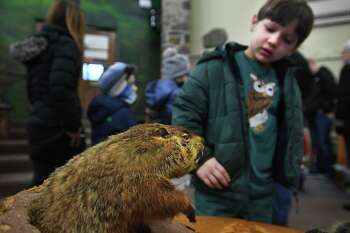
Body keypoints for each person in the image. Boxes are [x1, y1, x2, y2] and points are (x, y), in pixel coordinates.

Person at [172, 0, 314, 223]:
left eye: (286, 40)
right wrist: (199, 159)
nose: (273, 41)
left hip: (266, 196)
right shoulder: (213, 68)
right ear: (254, 22)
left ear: (294, 48)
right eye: (270, 29)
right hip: (219, 193)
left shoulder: (288, 82)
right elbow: (183, 117)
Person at [9, 0, 86, 186]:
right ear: (74, 21)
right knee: (61, 184)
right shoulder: (66, 45)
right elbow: (60, 88)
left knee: (42, 179)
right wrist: (73, 126)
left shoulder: (42, 45)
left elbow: (33, 88)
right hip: (57, 128)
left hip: (38, 120)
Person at [87, 62, 138, 146]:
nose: (135, 88)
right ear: (118, 87)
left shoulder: (101, 107)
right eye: (130, 85)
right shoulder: (123, 114)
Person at [305, 58, 336, 177]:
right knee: (317, 143)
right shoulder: (312, 79)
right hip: (313, 115)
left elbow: (332, 91)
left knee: (324, 142)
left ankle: (329, 171)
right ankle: (320, 168)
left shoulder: (323, 73)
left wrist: (324, 108)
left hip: (321, 114)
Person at [144, 47, 190, 124]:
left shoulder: (158, 86)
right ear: (179, 74)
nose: (187, 77)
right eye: (186, 74)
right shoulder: (176, 92)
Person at [335, 40, 350, 211]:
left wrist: (339, 120)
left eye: (344, 52)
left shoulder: (347, 70)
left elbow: (344, 97)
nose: (342, 56)